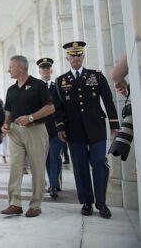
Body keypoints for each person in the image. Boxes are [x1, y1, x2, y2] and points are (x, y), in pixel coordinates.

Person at [54, 41, 120, 219]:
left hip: (96, 128)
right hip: (73, 131)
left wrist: (114, 125)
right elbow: (58, 108)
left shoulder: (96, 76)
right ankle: (86, 202)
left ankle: (101, 202)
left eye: (79, 55)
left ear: (83, 56)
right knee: (80, 167)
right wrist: (60, 127)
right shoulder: (61, 81)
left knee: (99, 162)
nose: (76, 58)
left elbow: (107, 100)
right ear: (67, 58)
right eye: (72, 56)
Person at [0, 55, 54, 218]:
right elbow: (8, 110)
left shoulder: (38, 85)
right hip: (15, 133)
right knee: (15, 168)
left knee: (37, 169)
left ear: (21, 68)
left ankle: (35, 205)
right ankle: (15, 203)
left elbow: (50, 108)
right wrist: (5, 124)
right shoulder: (11, 89)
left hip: (35, 130)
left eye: (11, 67)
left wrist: (31, 117)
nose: (8, 69)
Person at [36, 58, 63, 200]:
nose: (45, 71)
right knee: (46, 158)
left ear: (51, 71)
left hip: (55, 128)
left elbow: (61, 107)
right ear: (39, 71)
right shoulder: (36, 87)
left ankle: (53, 185)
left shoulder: (57, 86)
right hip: (40, 129)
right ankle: (53, 182)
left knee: (54, 156)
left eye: (48, 69)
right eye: (43, 69)